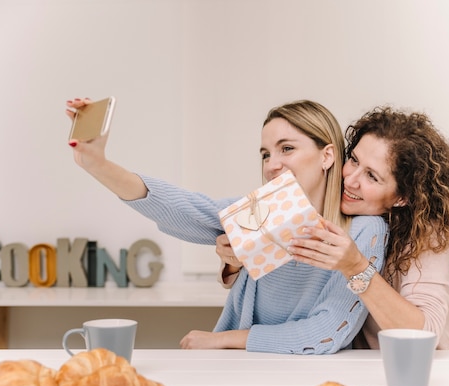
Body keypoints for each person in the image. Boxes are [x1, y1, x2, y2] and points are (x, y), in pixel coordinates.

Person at [65, 98, 390, 354]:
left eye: (287, 148)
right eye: (265, 154)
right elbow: (185, 209)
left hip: (306, 375)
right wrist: (98, 165)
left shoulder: (363, 232)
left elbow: (325, 332)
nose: (271, 165)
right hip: (240, 368)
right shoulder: (262, 212)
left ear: (327, 156)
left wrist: (225, 339)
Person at [219, 106, 449, 349]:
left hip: (434, 371)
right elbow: (287, 278)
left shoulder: (428, 236)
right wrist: (234, 262)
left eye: (372, 176)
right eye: (354, 160)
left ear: (402, 197)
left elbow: (424, 334)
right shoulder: (335, 211)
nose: (350, 180)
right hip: (362, 370)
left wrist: (356, 267)